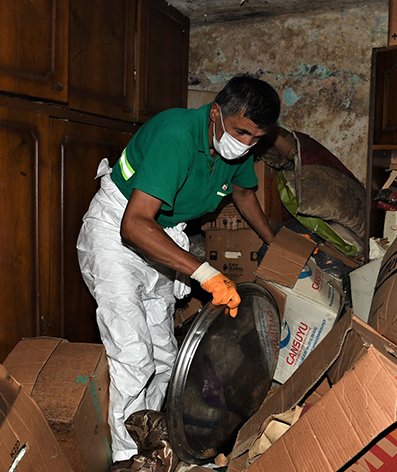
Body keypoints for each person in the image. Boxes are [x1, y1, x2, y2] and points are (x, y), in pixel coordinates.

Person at [76, 74, 281, 463]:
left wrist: (275, 242)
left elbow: (243, 193)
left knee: (165, 359)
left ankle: (148, 438)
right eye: (241, 132)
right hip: (118, 231)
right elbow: (134, 225)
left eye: (256, 138)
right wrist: (205, 274)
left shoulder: (238, 149)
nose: (246, 144)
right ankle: (127, 460)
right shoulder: (176, 136)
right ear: (216, 112)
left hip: (163, 237)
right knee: (134, 355)